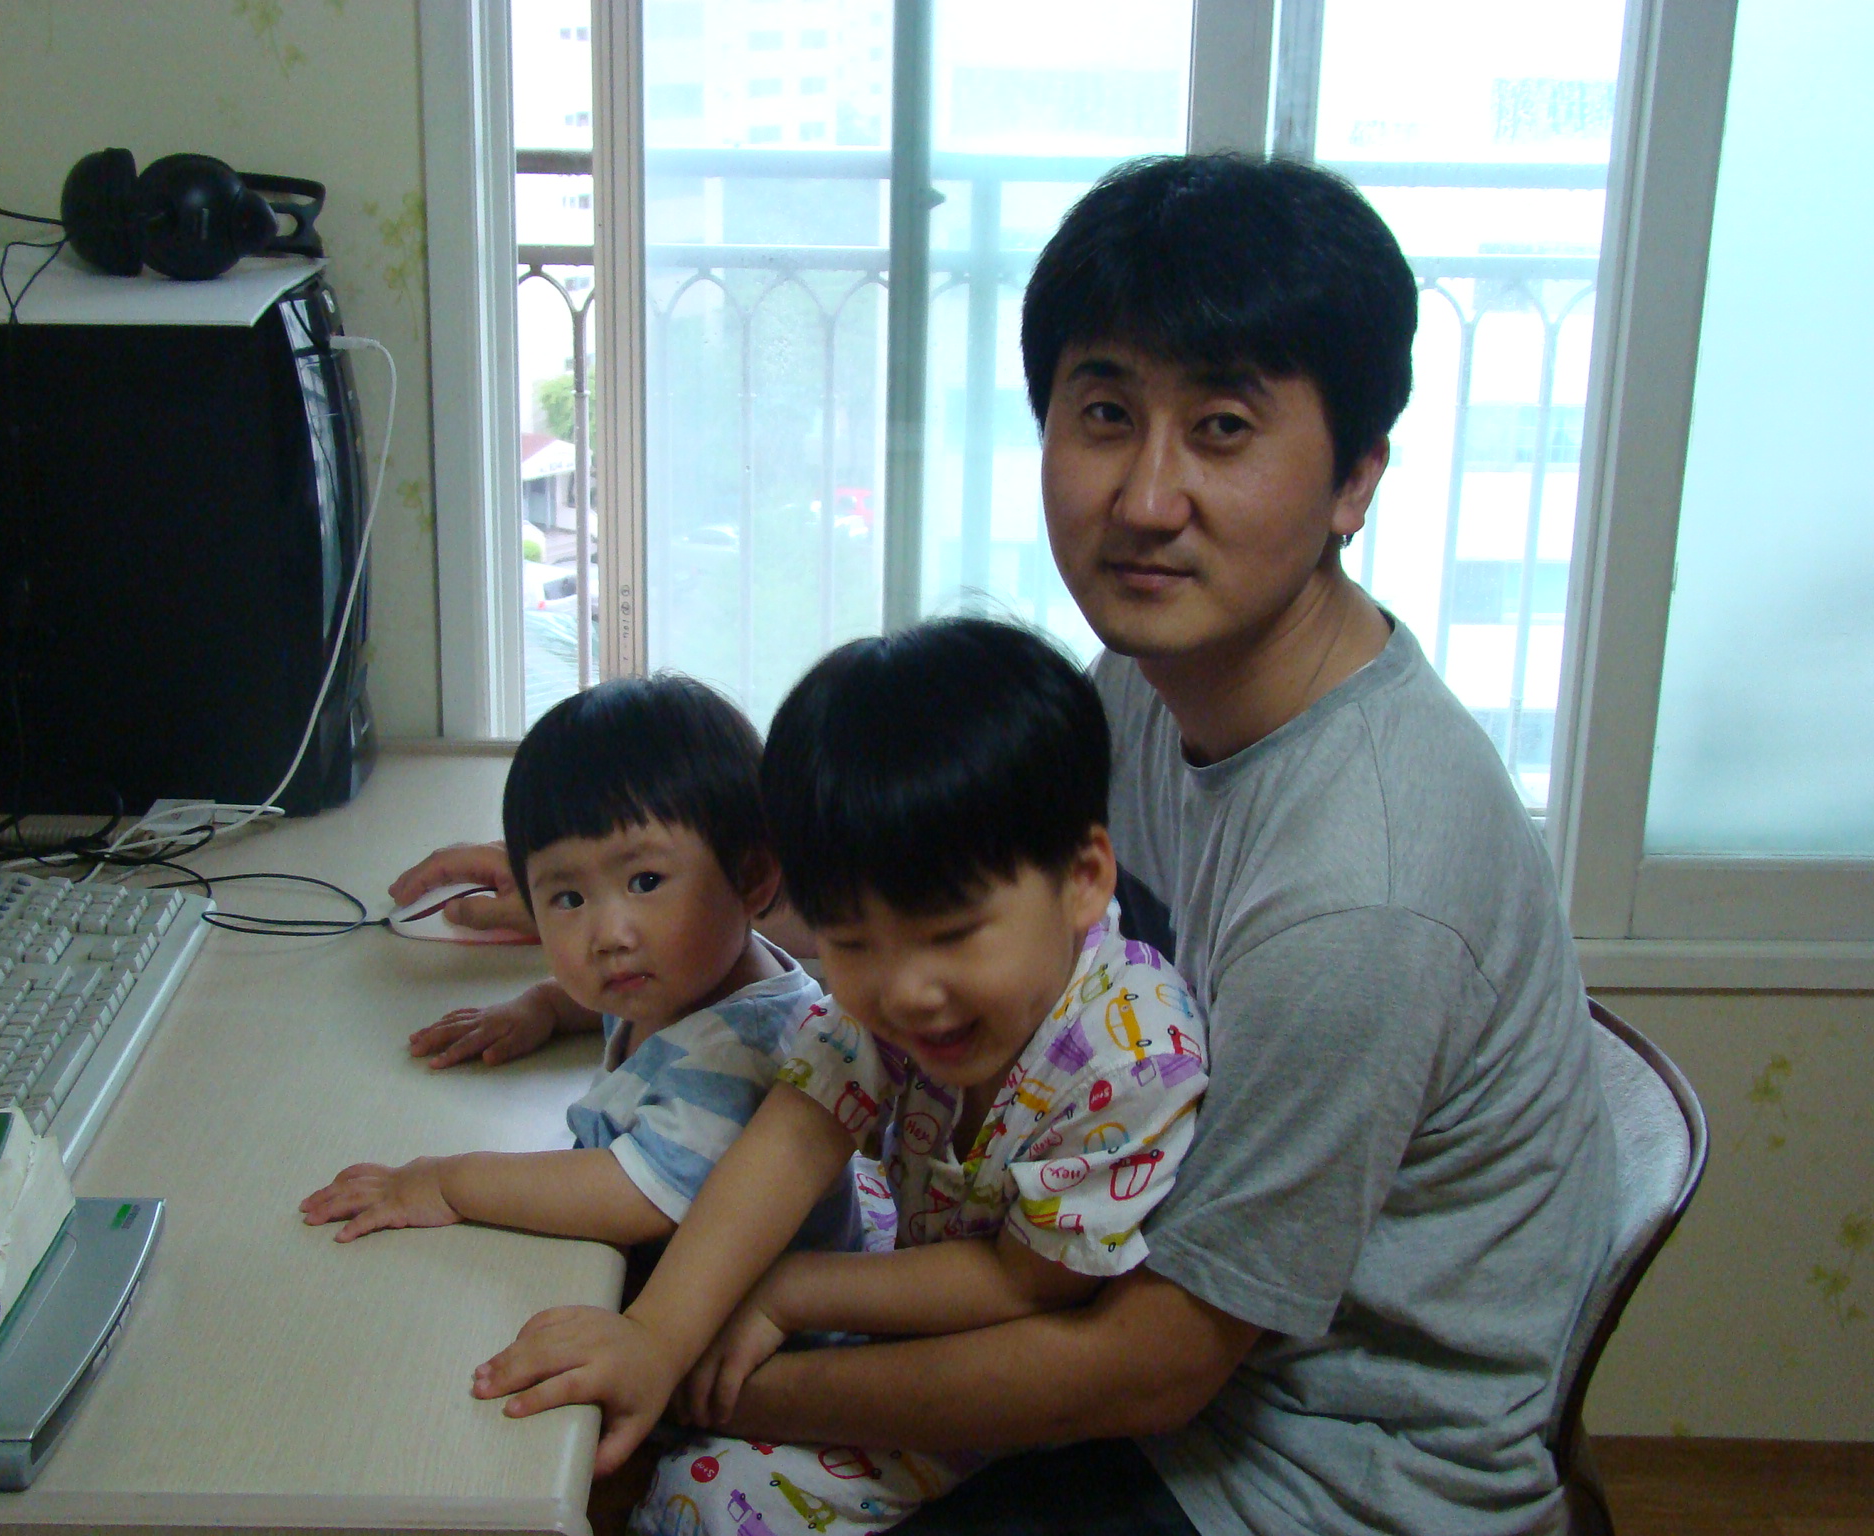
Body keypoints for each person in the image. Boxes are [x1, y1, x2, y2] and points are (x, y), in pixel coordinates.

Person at [484, 154, 1617, 1536]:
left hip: (1308, 1467)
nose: (1145, 498)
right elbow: (941, 892)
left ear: (1354, 479)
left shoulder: (1362, 890)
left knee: (654, 1469)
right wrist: (618, 889)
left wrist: (718, 1378)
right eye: (1104, 414)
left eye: (1222, 429)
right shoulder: (1142, 685)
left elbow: (1151, 1369)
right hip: (1119, 1332)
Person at [491, 617, 1207, 1536]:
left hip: (1005, 1379)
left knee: (700, 1494)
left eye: (951, 934)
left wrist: (790, 1292)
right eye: (854, 943)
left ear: (1082, 878)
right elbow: (796, 1130)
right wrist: (655, 1337)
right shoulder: (891, 1006)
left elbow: (1028, 1286)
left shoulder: (1132, 1058)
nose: (906, 991)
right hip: (905, 1281)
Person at [301, 673, 859, 1268]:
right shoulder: (686, 973)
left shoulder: (741, 1054)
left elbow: (636, 1196)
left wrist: (447, 1183)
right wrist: (545, 1005)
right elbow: (618, 1009)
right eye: (569, 898)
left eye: (645, 881)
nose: (608, 935)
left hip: (775, 1317)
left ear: (751, 878)